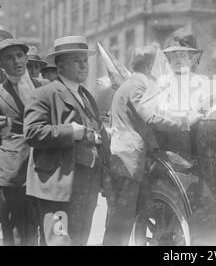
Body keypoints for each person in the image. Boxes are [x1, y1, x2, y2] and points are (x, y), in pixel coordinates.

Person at [103, 46, 194, 246]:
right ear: (151, 65)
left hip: (126, 158)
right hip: (129, 160)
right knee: (122, 221)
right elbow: (151, 116)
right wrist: (183, 122)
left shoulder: (131, 83)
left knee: (123, 217)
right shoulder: (137, 85)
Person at [24, 36, 111, 245]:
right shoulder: (44, 94)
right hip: (57, 188)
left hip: (85, 186)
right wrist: (70, 132)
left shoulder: (86, 95)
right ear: (60, 65)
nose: (83, 65)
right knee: (59, 241)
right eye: (76, 60)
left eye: (85, 60)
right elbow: (32, 133)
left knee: (79, 240)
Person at [0, 38, 43, 246]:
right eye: (9, 58)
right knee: (15, 229)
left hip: (45, 168)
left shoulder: (45, 87)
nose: (16, 61)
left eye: (19, 56)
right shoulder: (0, 93)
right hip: (14, 172)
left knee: (44, 226)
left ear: (26, 59)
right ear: (1, 64)